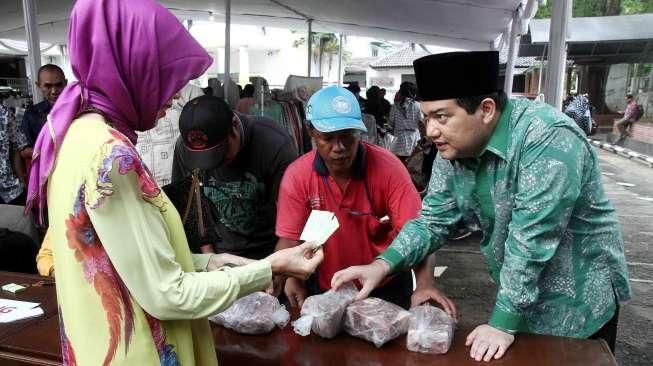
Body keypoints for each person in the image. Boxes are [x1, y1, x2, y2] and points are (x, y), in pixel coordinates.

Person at [25, 1, 322, 365]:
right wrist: (270, 267)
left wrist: (213, 263)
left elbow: (127, 260)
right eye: (164, 78)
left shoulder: (70, 135)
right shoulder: (110, 156)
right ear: (132, 68)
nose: (175, 97)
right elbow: (168, 293)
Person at [332, 51, 630, 362]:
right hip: (522, 297)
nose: (430, 130)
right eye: (427, 117)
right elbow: (433, 220)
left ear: (486, 110)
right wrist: (380, 266)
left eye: (441, 116)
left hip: (579, 302)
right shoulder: (457, 147)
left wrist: (501, 322)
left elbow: (531, 239)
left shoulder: (547, 138)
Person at [275, 86, 456, 314]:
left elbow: (421, 233)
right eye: (328, 138)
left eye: (347, 137)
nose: (339, 148)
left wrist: (425, 284)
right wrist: (291, 277)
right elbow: (288, 240)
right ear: (311, 132)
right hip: (327, 289)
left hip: (386, 285)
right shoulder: (298, 176)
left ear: (359, 132)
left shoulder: (388, 169)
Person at [172, 95, 298, 258]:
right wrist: (210, 257)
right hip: (218, 251)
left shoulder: (274, 143)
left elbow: (291, 221)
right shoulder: (184, 148)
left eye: (220, 154)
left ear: (234, 126)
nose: (213, 165)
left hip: (268, 252)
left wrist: (276, 269)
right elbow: (191, 207)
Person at [136, 83, 203, 186]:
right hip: (142, 180)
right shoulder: (131, 93)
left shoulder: (189, 91)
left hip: (179, 180)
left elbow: (201, 132)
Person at [21, 64, 67, 149]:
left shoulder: (77, 110)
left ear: (66, 83)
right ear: (38, 85)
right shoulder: (32, 114)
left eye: (58, 85)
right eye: (48, 86)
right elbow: (24, 148)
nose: (54, 91)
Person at [0, 103, 29, 205]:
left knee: (24, 218)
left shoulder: (5, 113)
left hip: (10, 187)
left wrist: (21, 180)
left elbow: (15, 149)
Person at [388, 82, 422, 163]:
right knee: (412, 165)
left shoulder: (395, 106)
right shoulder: (418, 105)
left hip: (399, 140)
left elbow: (391, 123)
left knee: (399, 164)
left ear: (401, 92)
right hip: (414, 139)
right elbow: (421, 121)